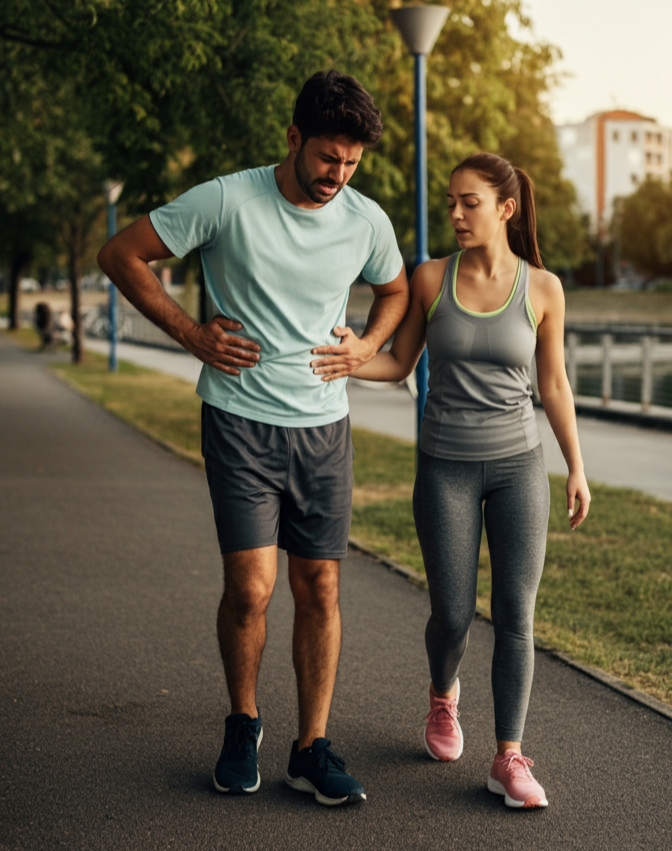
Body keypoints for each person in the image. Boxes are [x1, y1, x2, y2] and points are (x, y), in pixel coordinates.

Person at [97, 70, 407, 807]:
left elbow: (395, 290)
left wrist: (366, 347)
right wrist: (192, 334)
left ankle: (311, 748)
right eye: (329, 157)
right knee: (251, 589)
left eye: (352, 163)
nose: (339, 175)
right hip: (239, 422)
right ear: (294, 138)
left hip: (324, 428)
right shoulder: (226, 198)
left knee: (321, 585)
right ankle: (243, 724)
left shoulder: (366, 219)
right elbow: (120, 255)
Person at [329, 153, 590, 809]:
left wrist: (577, 467)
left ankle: (509, 755)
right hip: (444, 466)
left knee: (515, 614)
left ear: (506, 208)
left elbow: (553, 384)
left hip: (518, 467)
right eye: (450, 201)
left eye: (468, 201)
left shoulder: (543, 289)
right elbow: (397, 364)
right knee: (451, 611)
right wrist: (351, 358)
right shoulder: (429, 278)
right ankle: (443, 695)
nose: (454, 213)